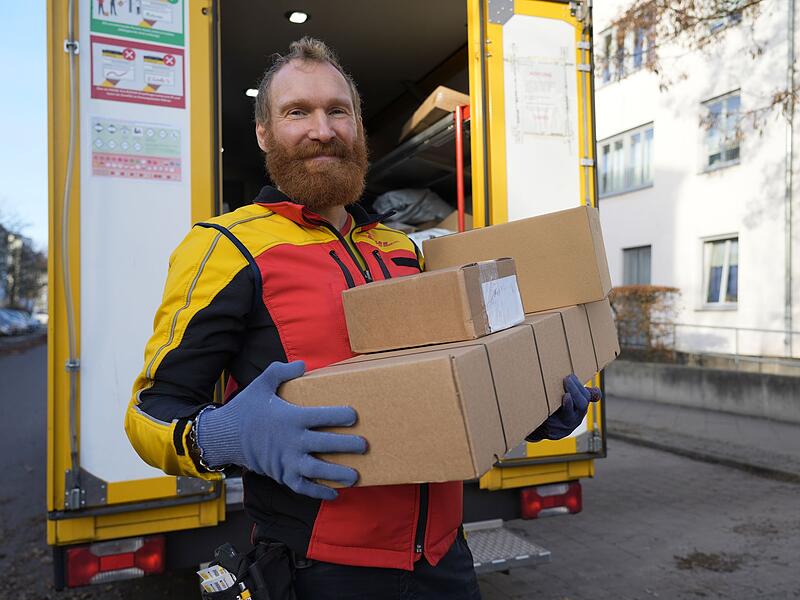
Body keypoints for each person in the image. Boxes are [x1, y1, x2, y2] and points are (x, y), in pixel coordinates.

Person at [125, 37, 600, 600]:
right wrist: (221, 435)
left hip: (445, 559)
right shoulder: (226, 247)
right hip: (320, 572)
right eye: (296, 112)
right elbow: (149, 412)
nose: (322, 130)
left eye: (337, 111)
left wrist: (531, 406)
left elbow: (451, 383)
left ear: (357, 127)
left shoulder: (404, 250)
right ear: (263, 133)